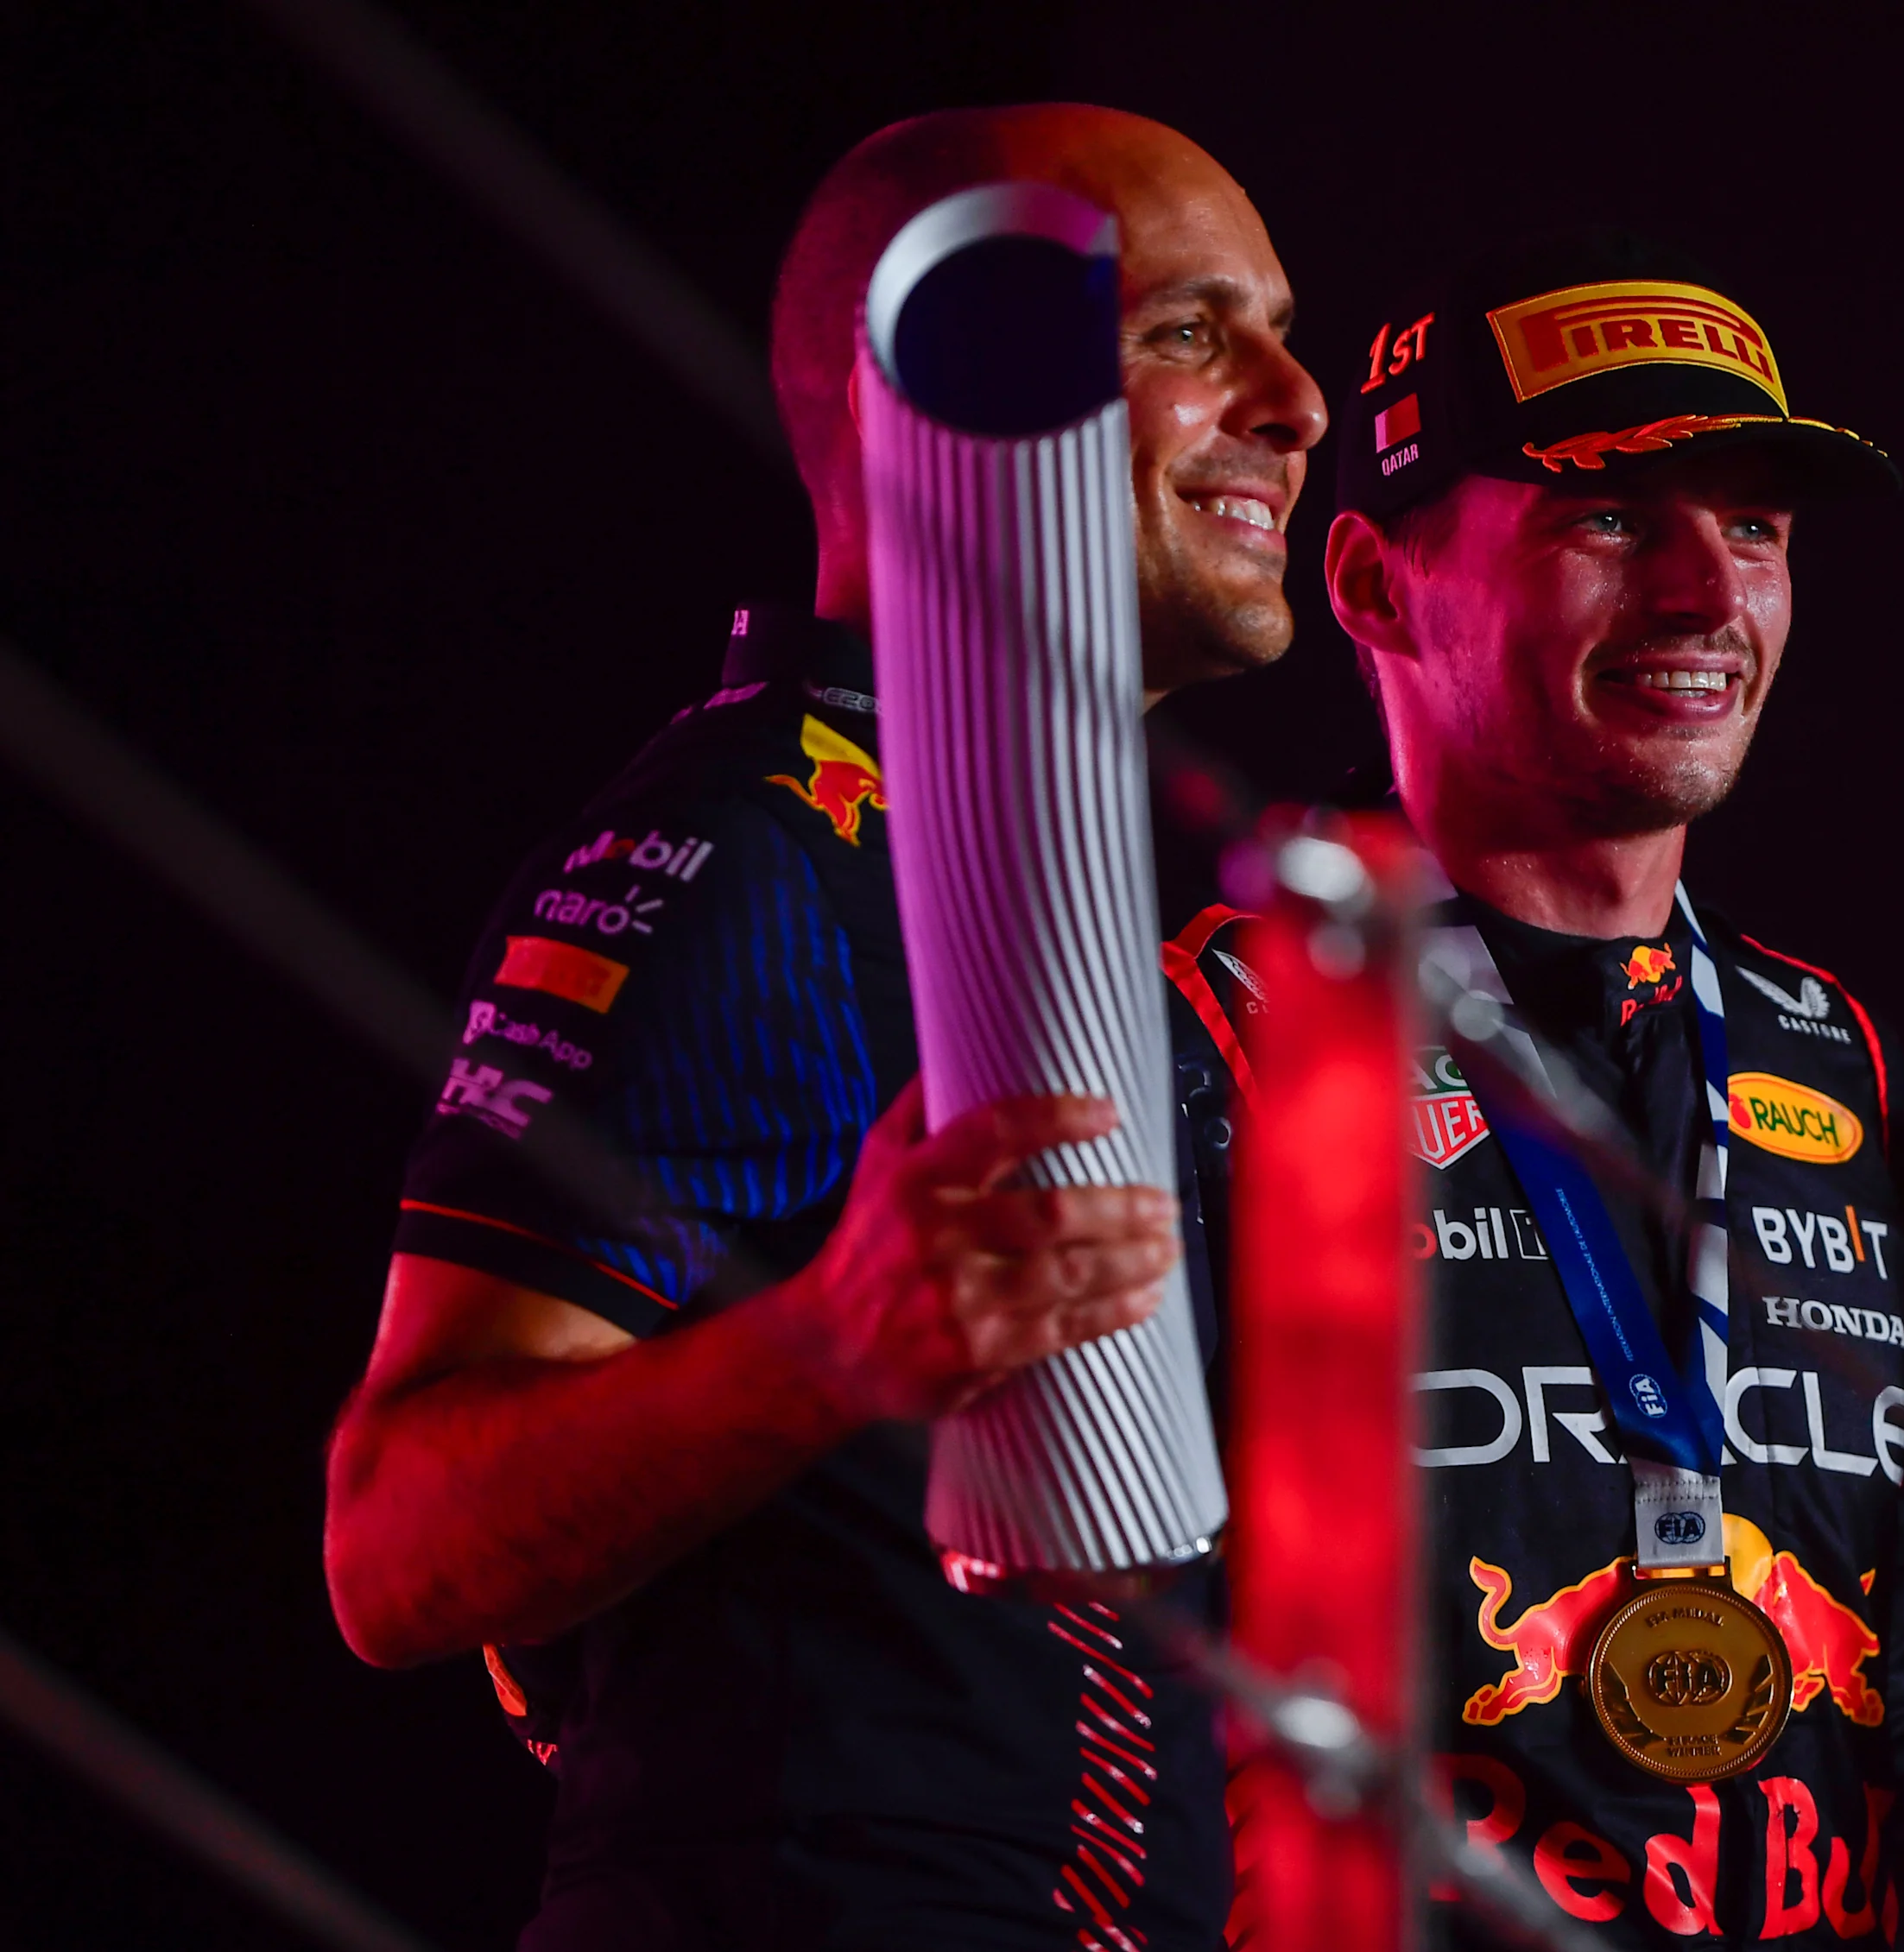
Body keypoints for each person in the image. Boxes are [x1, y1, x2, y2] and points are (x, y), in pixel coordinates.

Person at [323, 104, 1326, 1949]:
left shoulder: (1072, 883)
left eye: (1276, 332)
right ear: (933, 380)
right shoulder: (755, 844)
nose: (1296, 403)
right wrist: (825, 1347)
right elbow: (392, 1543)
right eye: (1187, 331)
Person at [1271, 233, 1904, 1943]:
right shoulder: (1217, 1037)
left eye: (1753, 527)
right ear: (1374, 585)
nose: (1704, 594)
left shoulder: (1832, 1050)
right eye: (1607, 516)